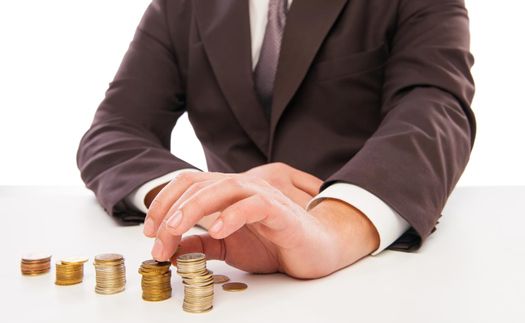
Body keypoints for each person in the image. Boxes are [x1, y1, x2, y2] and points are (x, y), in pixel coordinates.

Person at [77, 0, 475, 279]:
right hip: (232, 268)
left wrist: (337, 225)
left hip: (370, 273)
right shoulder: (181, 7)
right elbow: (114, 131)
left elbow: (436, 107)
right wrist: (211, 202)